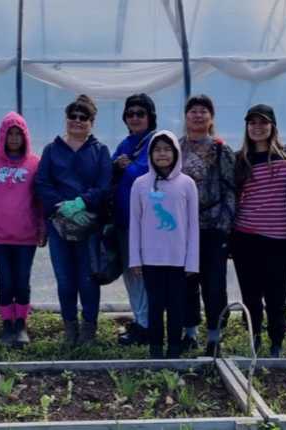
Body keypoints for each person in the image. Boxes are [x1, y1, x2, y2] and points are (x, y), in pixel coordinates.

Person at [34, 94, 112, 346]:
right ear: (66, 119)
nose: (77, 121)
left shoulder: (100, 151)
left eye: (83, 117)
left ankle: (89, 328)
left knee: (88, 278)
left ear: (92, 122)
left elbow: (104, 185)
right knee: (65, 279)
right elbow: (42, 183)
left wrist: (82, 203)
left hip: (89, 226)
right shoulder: (51, 150)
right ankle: (70, 327)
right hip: (59, 226)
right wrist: (60, 206)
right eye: (73, 116)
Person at [0, 112, 45, 348]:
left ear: (25, 136)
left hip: (26, 236)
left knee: (22, 282)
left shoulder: (35, 164)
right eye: (10, 133)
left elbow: (40, 200)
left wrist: (42, 228)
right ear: (3, 136)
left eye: (18, 134)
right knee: (5, 282)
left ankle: (21, 325)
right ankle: (7, 325)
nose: (14, 138)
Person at [128, 130, 199, 359]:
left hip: (178, 259)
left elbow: (192, 225)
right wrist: (135, 259)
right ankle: (156, 348)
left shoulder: (187, 184)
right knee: (155, 305)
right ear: (150, 154)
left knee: (177, 305)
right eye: (157, 149)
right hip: (151, 259)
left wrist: (192, 261)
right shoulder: (140, 184)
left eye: (167, 149)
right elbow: (135, 223)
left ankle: (175, 349)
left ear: (176, 153)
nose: (162, 154)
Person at [231, 104, 286, 358]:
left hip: (281, 237)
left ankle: (276, 343)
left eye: (263, 122)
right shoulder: (240, 159)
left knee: (277, 295)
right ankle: (254, 340)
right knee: (251, 294)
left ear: (272, 126)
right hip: (245, 236)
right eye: (252, 123)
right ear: (247, 127)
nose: (257, 127)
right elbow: (233, 198)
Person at [179, 94, 236, 356]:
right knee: (186, 281)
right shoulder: (176, 147)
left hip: (213, 228)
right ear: (186, 116)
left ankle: (215, 335)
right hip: (182, 230)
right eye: (193, 111)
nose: (198, 115)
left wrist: (226, 224)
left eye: (204, 111)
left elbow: (230, 188)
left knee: (214, 284)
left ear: (211, 117)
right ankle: (189, 332)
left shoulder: (221, 149)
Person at [111, 93, 157, 346]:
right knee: (131, 272)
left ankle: (147, 324)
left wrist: (125, 166)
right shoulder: (125, 143)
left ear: (150, 117)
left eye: (141, 113)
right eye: (130, 114)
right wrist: (118, 165)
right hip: (124, 220)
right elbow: (112, 168)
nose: (135, 118)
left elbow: (145, 173)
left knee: (142, 272)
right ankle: (141, 321)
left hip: (146, 222)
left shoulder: (155, 142)